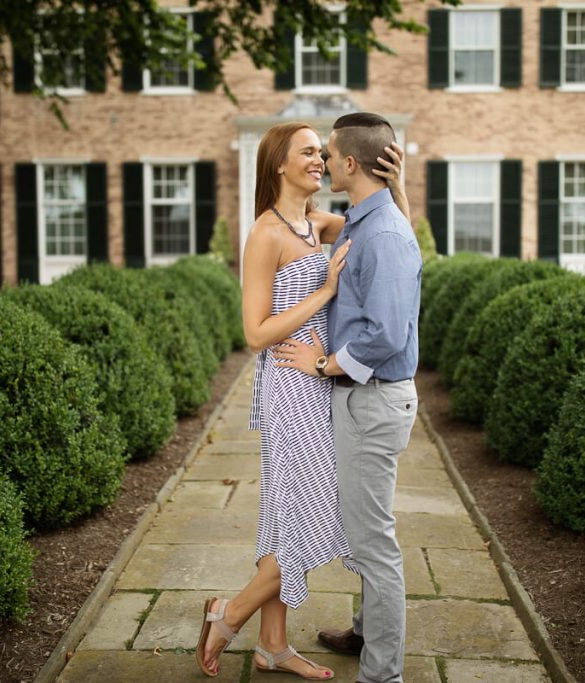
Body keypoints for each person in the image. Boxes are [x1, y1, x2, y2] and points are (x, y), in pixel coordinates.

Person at [195, 120, 409, 679]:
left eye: (323, 152)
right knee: (314, 522)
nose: (320, 160)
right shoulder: (265, 233)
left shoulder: (319, 223)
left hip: (323, 381)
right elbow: (256, 333)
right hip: (291, 385)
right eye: (309, 152)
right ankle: (228, 614)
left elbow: (392, 238)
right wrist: (326, 291)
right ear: (279, 165)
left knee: (286, 517)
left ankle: (272, 644)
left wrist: (399, 184)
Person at [272, 112, 422, 683]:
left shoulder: (381, 231)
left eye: (329, 155)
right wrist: (398, 190)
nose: (323, 163)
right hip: (365, 399)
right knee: (361, 524)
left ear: (351, 164)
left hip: (371, 397)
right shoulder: (370, 216)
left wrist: (325, 363)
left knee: (373, 541)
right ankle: (364, 632)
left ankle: (382, 674)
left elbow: (386, 331)